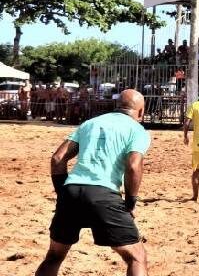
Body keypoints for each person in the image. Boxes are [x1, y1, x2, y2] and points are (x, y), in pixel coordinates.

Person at [37, 89, 151, 276]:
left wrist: (62, 194)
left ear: (117, 106)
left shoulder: (90, 123)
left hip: (72, 190)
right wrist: (130, 202)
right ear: (140, 112)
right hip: (103, 194)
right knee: (136, 257)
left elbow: (58, 159)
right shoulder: (137, 130)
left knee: (54, 256)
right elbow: (133, 166)